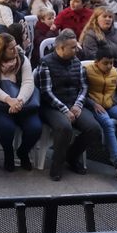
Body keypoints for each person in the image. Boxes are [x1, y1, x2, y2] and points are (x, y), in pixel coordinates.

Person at [38, 31, 102, 179]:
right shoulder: (45, 63)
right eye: (72, 48)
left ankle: (71, 156)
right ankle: (57, 164)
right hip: (52, 106)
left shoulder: (76, 62)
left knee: (94, 129)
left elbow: (84, 87)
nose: (76, 50)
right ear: (60, 48)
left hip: (74, 103)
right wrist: (65, 110)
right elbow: (46, 92)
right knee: (64, 127)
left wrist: (78, 105)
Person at [0, 32, 41, 172]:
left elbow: (28, 82)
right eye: (11, 48)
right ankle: (8, 152)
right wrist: (8, 100)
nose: (15, 50)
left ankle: (23, 151)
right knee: (6, 128)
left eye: (15, 46)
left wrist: (19, 101)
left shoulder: (22, 59)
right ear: (1, 50)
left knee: (35, 128)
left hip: (23, 103)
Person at [83, 47, 117, 178]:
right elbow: (81, 93)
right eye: (105, 63)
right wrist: (93, 104)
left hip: (110, 104)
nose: (109, 66)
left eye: (111, 63)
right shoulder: (87, 71)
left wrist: (113, 101)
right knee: (108, 123)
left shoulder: (114, 73)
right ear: (97, 62)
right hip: (94, 106)